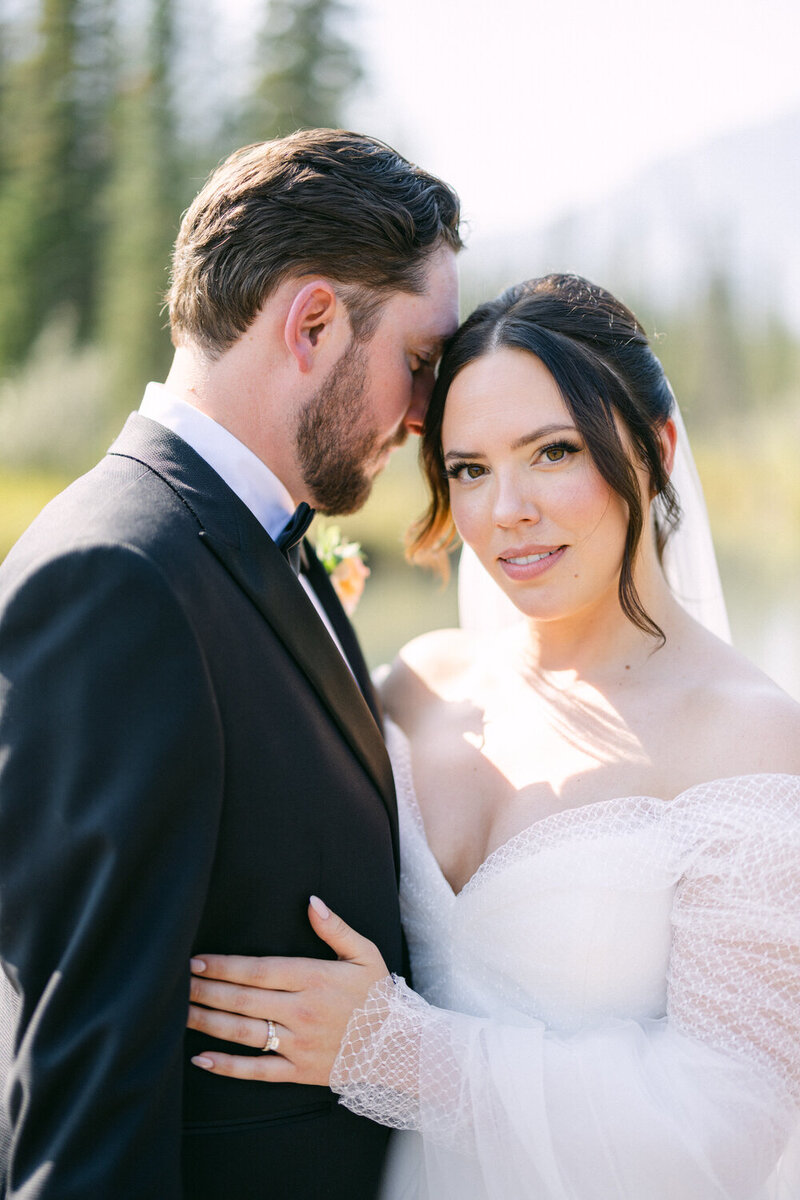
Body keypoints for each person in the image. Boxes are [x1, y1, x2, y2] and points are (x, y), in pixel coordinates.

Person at [185, 275, 800, 1199]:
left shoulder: (751, 740)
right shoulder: (421, 686)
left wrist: (396, 1051)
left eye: (552, 452)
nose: (505, 509)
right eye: (469, 468)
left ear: (658, 450)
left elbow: (725, 1129)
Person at [0, 129, 461, 1199]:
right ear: (309, 323)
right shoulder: (115, 579)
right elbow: (86, 1087)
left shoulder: (256, 545)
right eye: (419, 360)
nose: (426, 413)